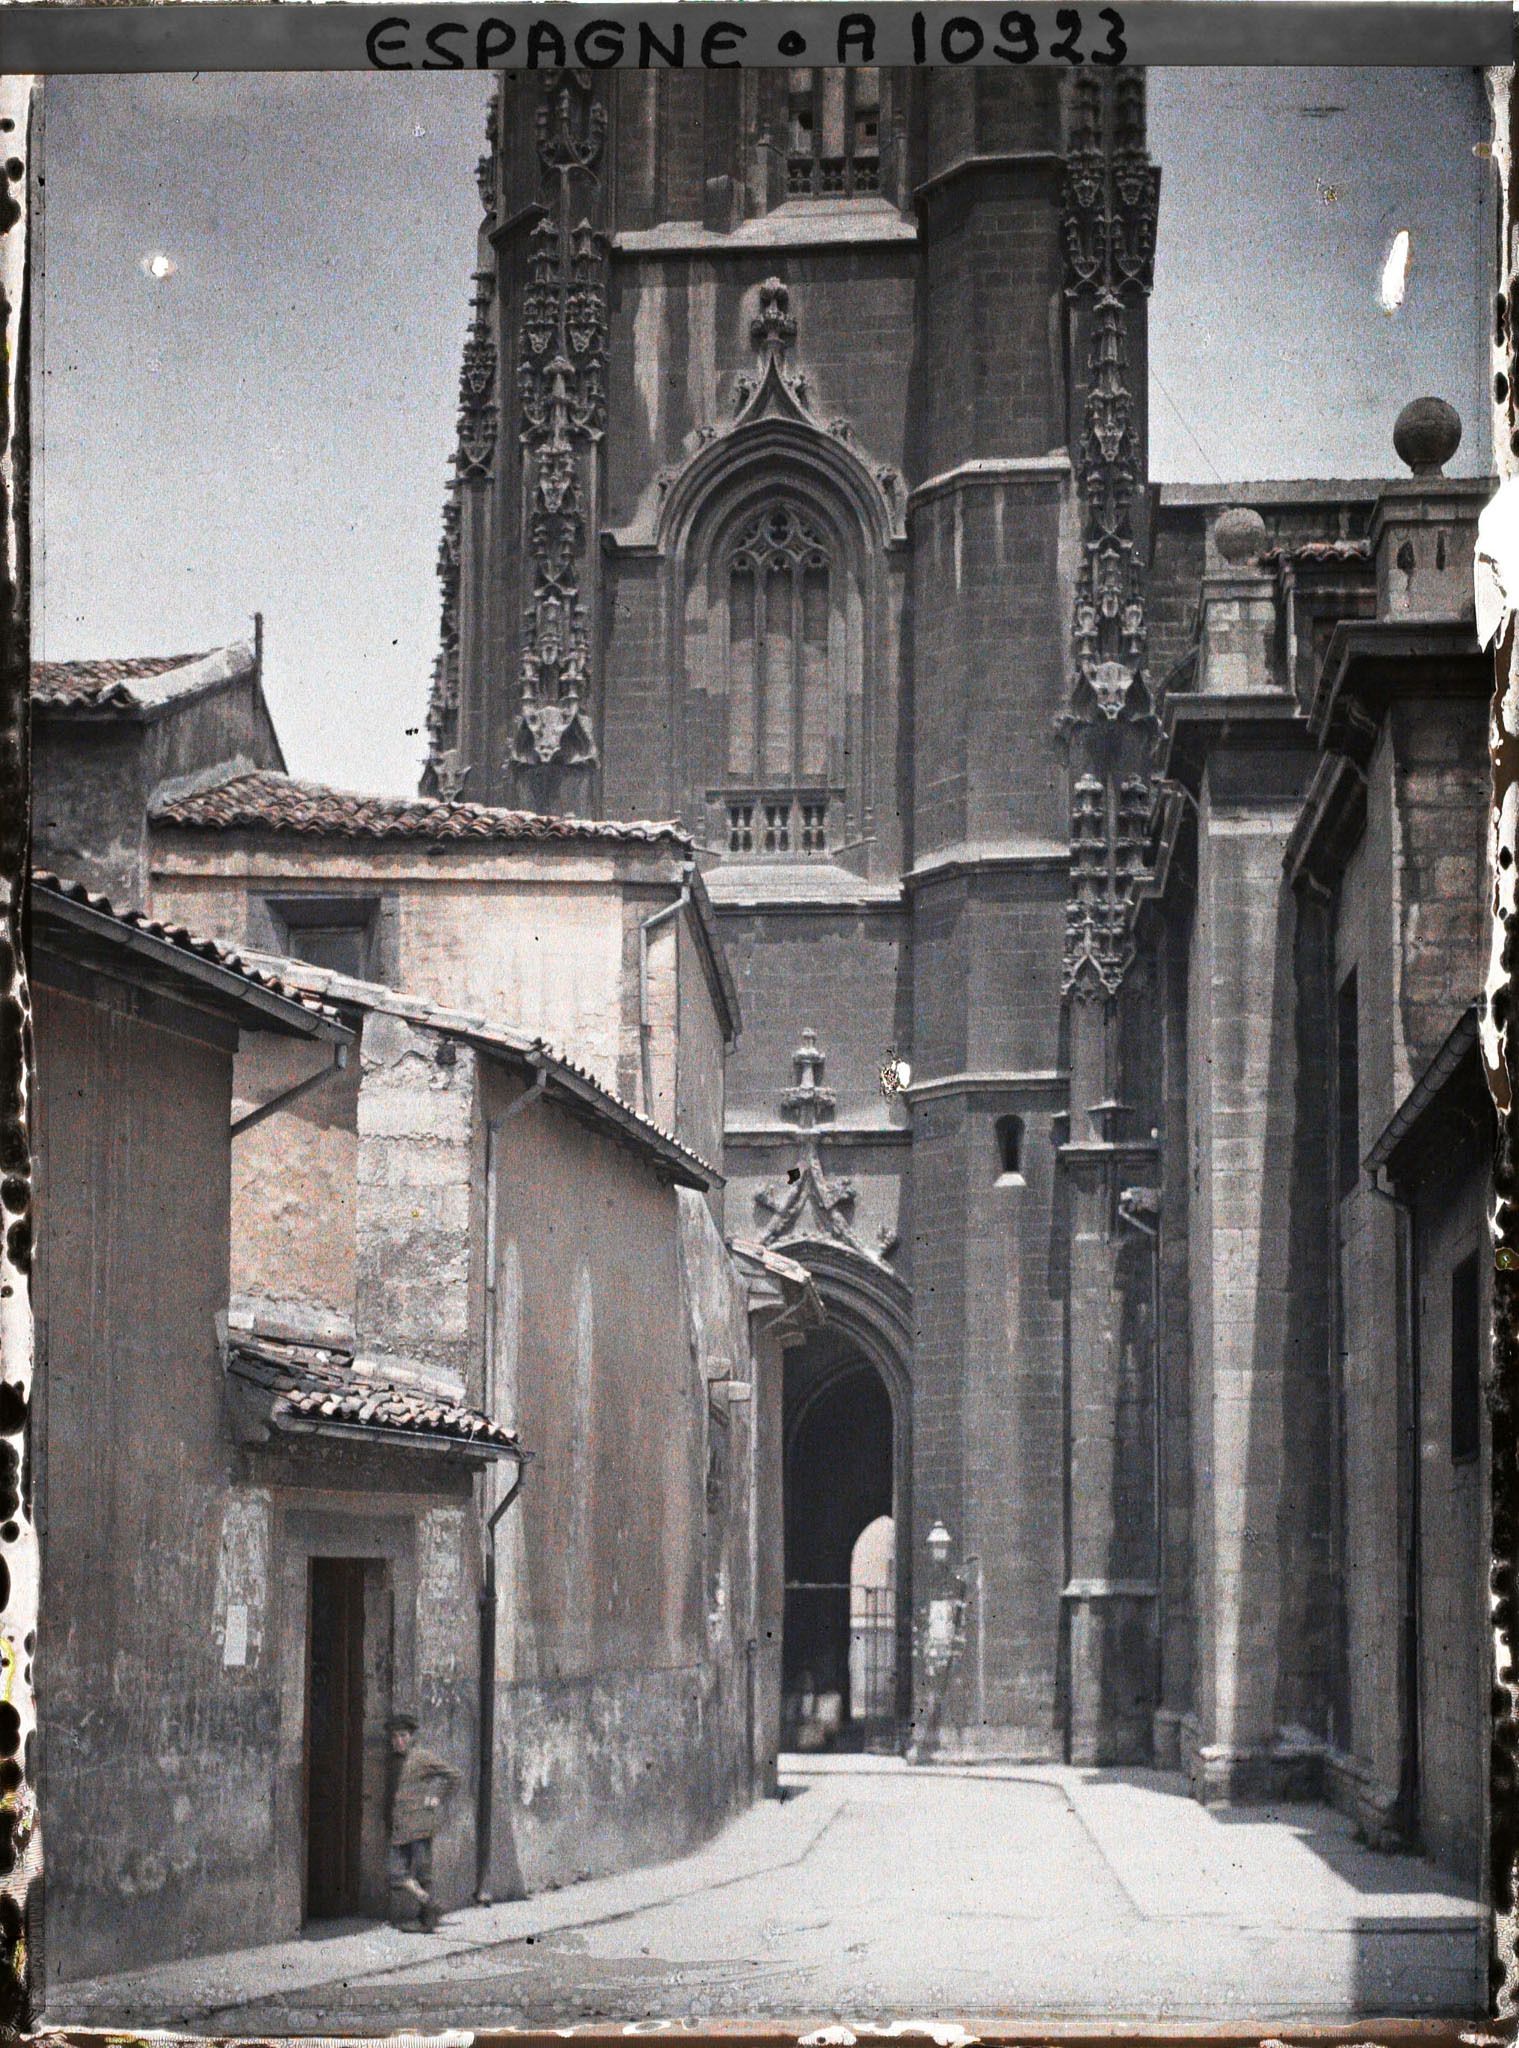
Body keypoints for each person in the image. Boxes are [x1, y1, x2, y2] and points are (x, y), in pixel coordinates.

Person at [386, 1709, 460, 1932]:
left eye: (403, 1736)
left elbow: (454, 1775)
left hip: (420, 1826)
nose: (399, 1741)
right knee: (395, 1872)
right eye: (395, 1737)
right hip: (401, 1827)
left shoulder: (422, 1757)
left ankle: (426, 1920)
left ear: (411, 1737)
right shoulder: (394, 1762)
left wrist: (437, 1796)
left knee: (423, 1873)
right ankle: (428, 1902)